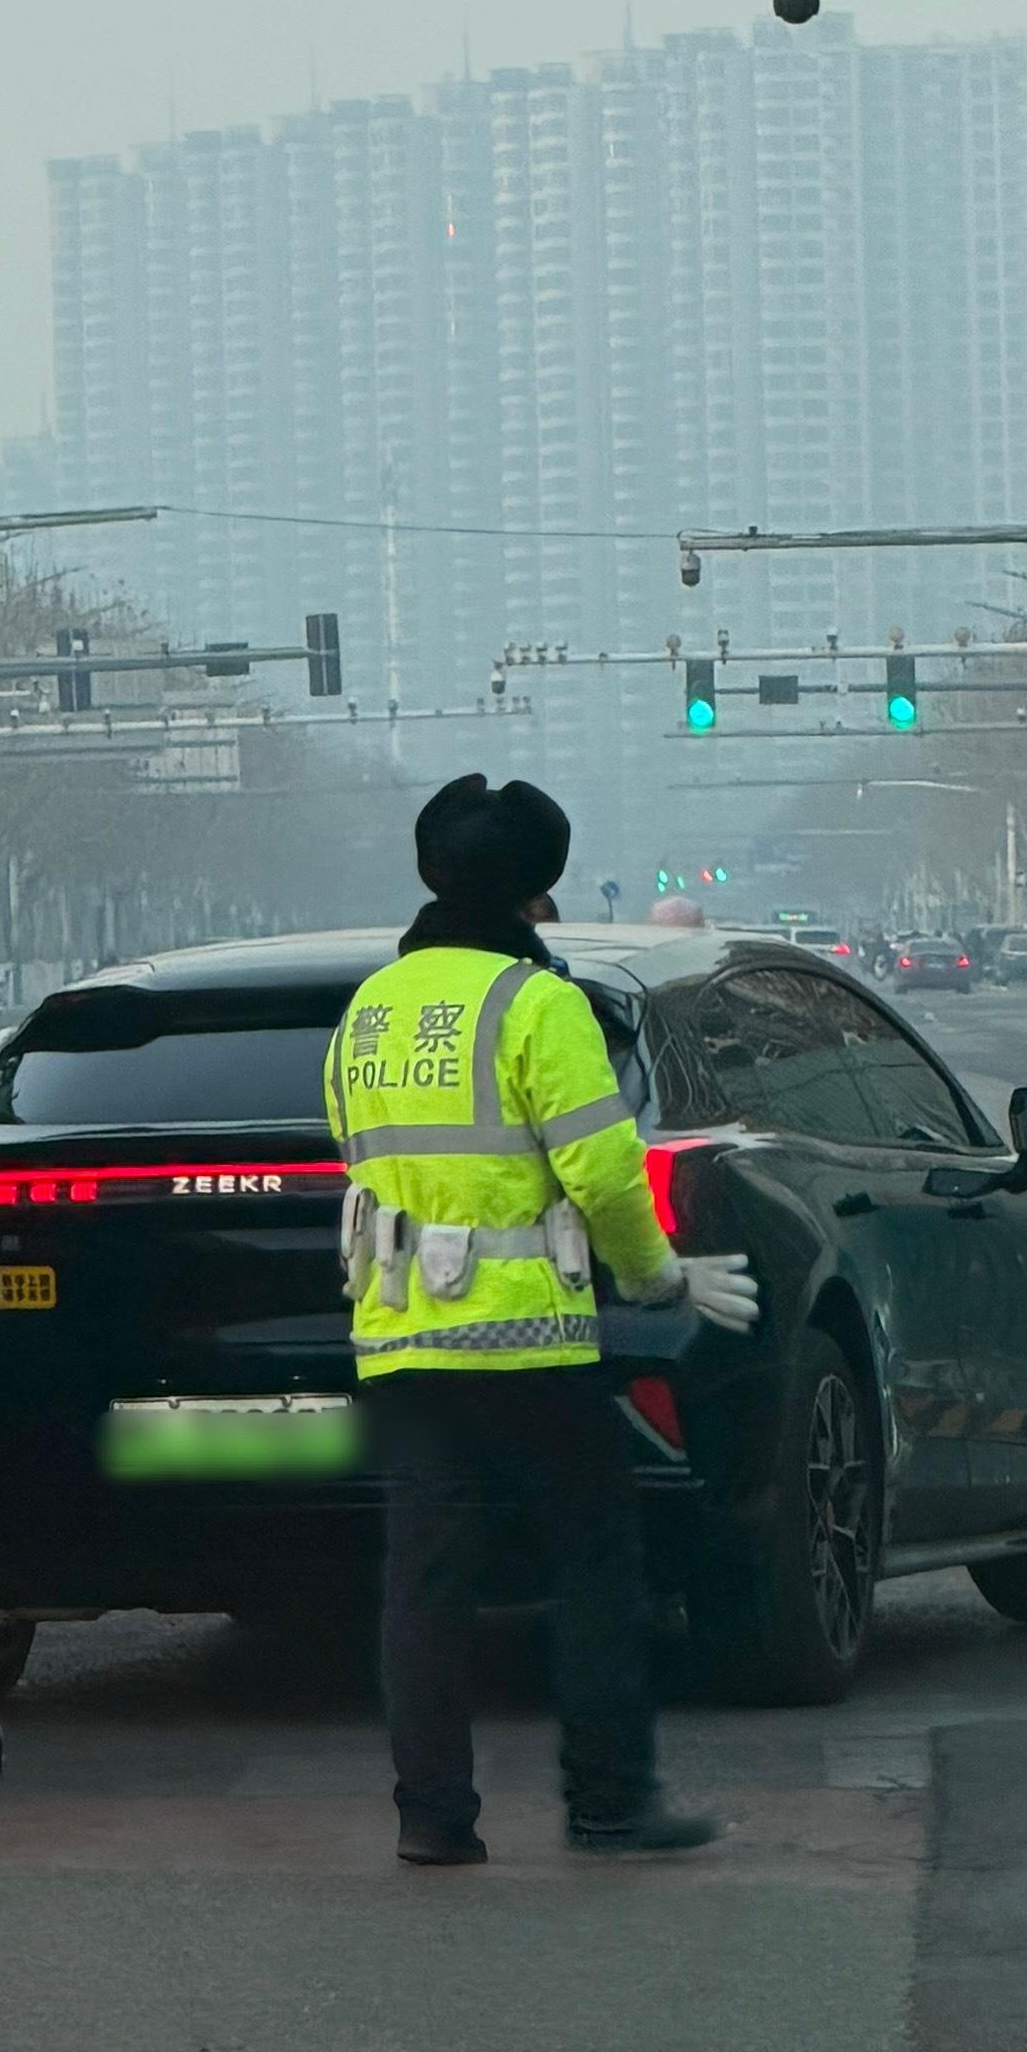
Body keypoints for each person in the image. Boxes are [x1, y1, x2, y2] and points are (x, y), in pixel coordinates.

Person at [323, 773, 752, 1872]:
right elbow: (605, 1172)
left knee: (421, 1584)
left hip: (403, 1335)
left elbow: (354, 1147)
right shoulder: (537, 1004)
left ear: (431, 874)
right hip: (528, 1342)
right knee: (598, 1556)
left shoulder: (370, 1008)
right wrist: (657, 1278)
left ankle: (432, 1817)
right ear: (538, 888)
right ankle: (608, 1804)